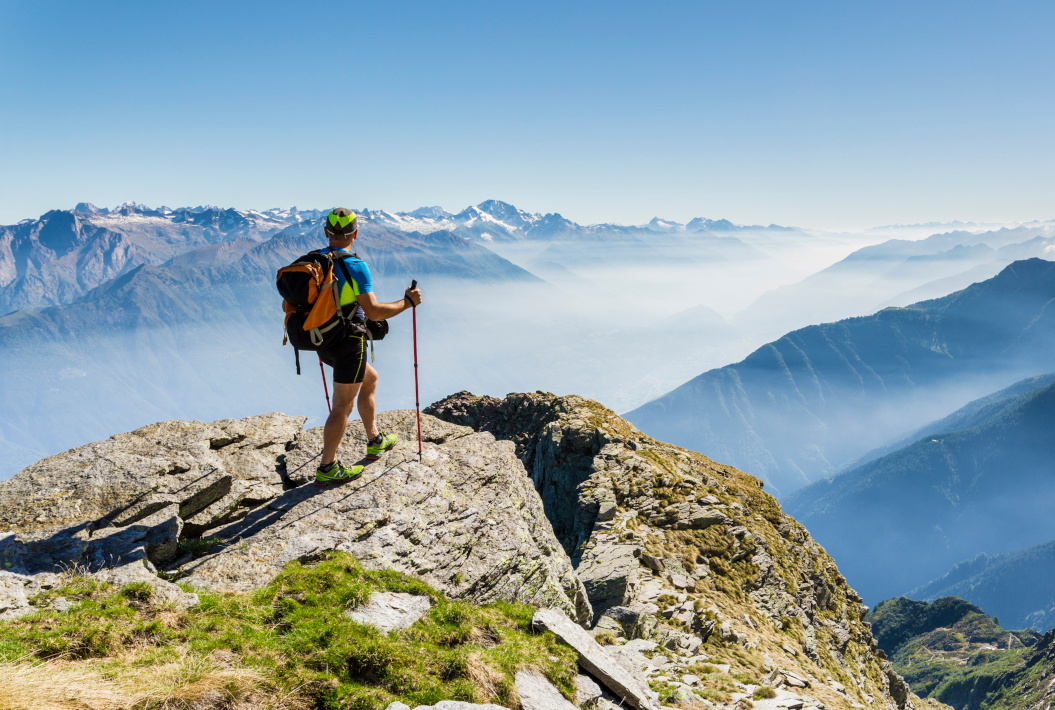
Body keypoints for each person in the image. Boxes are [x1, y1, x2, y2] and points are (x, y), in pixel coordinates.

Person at [313, 207, 422, 486]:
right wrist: (407, 303)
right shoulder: (354, 266)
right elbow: (373, 311)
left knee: (370, 379)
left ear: (326, 232)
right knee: (341, 408)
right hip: (348, 344)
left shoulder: (314, 263)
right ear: (356, 234)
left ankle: (374, 439)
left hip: (322, 341)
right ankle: (327, 467)